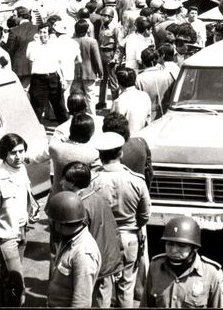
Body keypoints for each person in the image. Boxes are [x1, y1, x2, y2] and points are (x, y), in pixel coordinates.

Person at [92, 130, 151, 308]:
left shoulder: (93, 181)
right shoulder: (137, 180)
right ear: (121, 153)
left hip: (102, 239)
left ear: (100, 155)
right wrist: (134, 226)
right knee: (127, 287)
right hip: (129, 237)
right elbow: (145, 215)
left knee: (103, 286)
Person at [60, 162, 123, 307]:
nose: (60, 182)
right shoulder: (98, 197)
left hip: (93, 266)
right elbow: (114, 230)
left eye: (64, 179)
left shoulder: (78, 205)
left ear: (73, 183)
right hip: (108, 263)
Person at [0, 133, 38, 307]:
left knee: (7, 275)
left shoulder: (21, 169)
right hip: (6, 237)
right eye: (13, 153)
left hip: (22, 231)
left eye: (21, 151)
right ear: (4, 154)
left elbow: (26, 195)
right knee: (18, 283)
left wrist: (32, 212)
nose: (18, 157)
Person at [143, 216, 223, 307]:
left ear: (195, 248)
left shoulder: (212, 274)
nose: (173, 250)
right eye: (169, 244)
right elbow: (146, 304)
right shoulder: (155, 266)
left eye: (182, 245)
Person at [45, 191, 102, 308]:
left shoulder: (84, 254)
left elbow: (81, 302)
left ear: (60, 224)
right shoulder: (67, 240)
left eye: (51, 220)